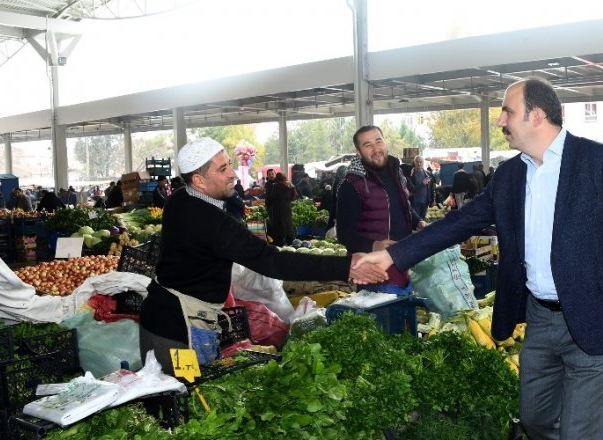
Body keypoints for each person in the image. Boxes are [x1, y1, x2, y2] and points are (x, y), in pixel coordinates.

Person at [354, 77, 603, 439]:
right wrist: (393, 256)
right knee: (535, 419)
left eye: (507, 112)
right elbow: (459, 223)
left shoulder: (599, 161)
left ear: (537, 116)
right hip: (540, 319)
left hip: (596, 316)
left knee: (579, 433)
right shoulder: (511, 175)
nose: (500, 121)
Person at [138, 138, 386, 375]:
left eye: (230, 165)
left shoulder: (180, 199)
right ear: (199, 181)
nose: (232, 174)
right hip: (179, 331)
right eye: (223, 169)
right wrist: (347, 266)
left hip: (160, 317)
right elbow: (274, 262)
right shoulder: (213, 223)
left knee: (178, 395)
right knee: (188, 393)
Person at [336, 125, 425, 292]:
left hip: (401, 259)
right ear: (358, 152)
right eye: (367, 145)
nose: (376, 149)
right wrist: (375, 245)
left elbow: (401, 205)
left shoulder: (396, 174)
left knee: (403, 312)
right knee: (383, 316)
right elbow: (344, 235)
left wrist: (417, 221)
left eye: (378, 141)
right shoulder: (352, 184)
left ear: (385, 143)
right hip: (373, 270)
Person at [267, 172, 296, 246]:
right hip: (287, 209)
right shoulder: (288, 186)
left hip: (278, 209)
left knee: (279, 225)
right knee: (288, 224)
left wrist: (268, 204)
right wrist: (292, 187)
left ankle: (280, 242)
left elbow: (272, 198)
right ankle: (290, 241)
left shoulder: (276, 186)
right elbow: (293, 197)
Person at [409, 156, 431, 221]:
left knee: (423, 221)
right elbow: (411, 189)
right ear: (414, 162)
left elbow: (430, 188)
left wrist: (432, 199)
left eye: (420, 162)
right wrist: (422, 184)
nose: (419, 164)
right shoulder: (411, 174)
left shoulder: (427, 173)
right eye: (417, 162)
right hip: (415, 202)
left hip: (425, 202)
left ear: (423, 163)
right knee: (416, 221)